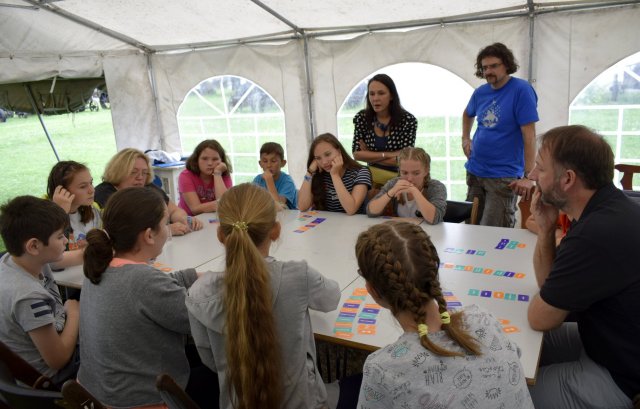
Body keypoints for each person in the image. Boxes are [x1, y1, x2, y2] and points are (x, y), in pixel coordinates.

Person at [186, 183, 340, 409]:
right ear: (276, 231)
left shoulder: (198, 293)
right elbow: (331, 298)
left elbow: (208, 358)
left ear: (221, 235)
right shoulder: (297, 275)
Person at [354, 221, 534, 408]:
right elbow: (512, 358)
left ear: (372, 290)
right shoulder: (482, 317)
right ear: (434, 271)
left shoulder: (383, 370)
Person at [526, 125, 640, 408]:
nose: (531, 176)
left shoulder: (596, 233)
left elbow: (541, 318)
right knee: (510, 346)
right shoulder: (607, 209)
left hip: (619, 377)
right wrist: (546, 228)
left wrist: (547, 300)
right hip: (606, 343)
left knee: (504, 391)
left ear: (567, 179)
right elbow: (548, 285)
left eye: (540, 168)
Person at [78, 187, 216, 408]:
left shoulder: (100, 265)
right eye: (164, 224)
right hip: (143, 399)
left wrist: (196, 275)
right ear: (149, 235)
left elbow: (156, 288)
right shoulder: (143, 281)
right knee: (234, 373)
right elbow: (203, 319)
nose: (167, 229)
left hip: (98, 393)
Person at [0, 196, 80, 385]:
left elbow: (68, 258)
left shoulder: (13, 260)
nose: (66, 241)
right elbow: (58, 359)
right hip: (55, 378)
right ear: (34, 246)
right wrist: (75, 314)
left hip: (54, 333)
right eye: (60, 236)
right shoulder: (28, 297)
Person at [461, 42, 539, 227]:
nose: (488, 71)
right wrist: (465, 138)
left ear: (506, 64)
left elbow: (530, 135)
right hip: (475, 171)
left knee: (494, 232)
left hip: (503, 176)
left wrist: (528, 176)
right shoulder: (480, 92)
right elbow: (467, 113)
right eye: (485, 67)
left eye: (494, 66)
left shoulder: (521, 90)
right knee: (470, 227)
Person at [95, 148, 203, 236]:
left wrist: (184, 219)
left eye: (145, 173)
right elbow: (125, 232)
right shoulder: (105, 194)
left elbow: (174, 210)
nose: (140, 178)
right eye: (133, 172)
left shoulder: (148, 187)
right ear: (118, 171)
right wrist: (166, 230)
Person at [352, 73, 417, 187]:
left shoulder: (408, 120)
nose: (375, 98)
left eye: (381, 93)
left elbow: (405, 159)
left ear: (391, 96)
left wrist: (369, 154)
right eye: (372, 94)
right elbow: (357, 154)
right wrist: (388, 155)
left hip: (400, 178)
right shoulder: (361, 118)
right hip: (371, 179)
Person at [367, 147, 447, 224]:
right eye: (404, 173)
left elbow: (434, 218)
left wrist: (414, 191)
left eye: (416, 173)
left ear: (426, 171)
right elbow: (371, 212)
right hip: (402, 232)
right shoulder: (394, 183)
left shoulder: (436, 187)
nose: (409, 179)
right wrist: (391, 192)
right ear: (399, 171)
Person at [298, 133, 372, 215]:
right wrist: (309, 172)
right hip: (328, 224)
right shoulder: (318, 173)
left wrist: (335, 175)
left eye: (328, 154)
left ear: (339, 151)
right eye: (318, 158)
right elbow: (302, 207)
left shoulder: (361, 172)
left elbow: (351, 209)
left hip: (354, 224)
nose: (324, 162)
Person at [47, 161, 101, 250]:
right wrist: (61, 213)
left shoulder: (93, 210)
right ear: (62, 191)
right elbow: (55, 252)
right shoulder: (48, 220)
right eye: (83, 186)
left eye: (91, 183)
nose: (92, 190)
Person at [178, 139, 233, 216]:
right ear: (196, 159)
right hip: (190, 220)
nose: (210, 163)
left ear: (222, 161)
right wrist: (220, 204)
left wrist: (217, 174)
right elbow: (195, 209)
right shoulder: (185, 176)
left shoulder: (222, 174)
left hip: (214, 218)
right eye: (204, 158)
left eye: (215, 159)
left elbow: (225, 206)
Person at [252, 142, 297, 209]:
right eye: (265, 161)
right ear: (260, 163)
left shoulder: (287, 181)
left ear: (283, 163)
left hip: (286, 217)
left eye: (273, 161)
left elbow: (279, 206)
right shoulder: (258, 179)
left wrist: (269, 181)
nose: (269, 165)